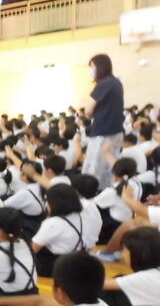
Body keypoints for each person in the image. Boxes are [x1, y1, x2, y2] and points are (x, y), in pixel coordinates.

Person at [82, 54, 125, 188]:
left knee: (94, 171)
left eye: (92, 67)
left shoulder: (104, 83)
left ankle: (92, 196)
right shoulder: (116, 82)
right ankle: (108, 192)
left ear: (100, 67)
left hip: (102, 133)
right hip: (116, 132)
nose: (91, 71)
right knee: (109, 168)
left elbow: (88, 111)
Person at [31, 184, 85, 277]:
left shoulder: (53, 223)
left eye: (47, 200)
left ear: (54, 203)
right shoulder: (78, 215)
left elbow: (33, 249)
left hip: (53, 267)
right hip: (75, 262)